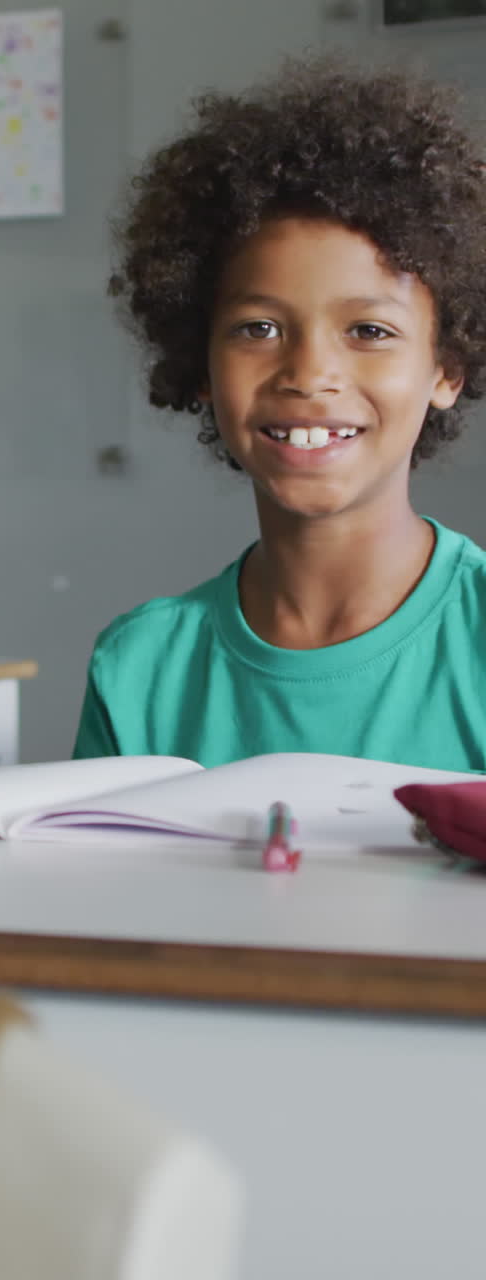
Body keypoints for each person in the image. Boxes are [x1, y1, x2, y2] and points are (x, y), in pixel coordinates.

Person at [73, 54, 486, 770]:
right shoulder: (138, 669)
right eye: (259, 328)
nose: (309, 375)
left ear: (447, 367)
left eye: (370, 331)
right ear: (200, 365)